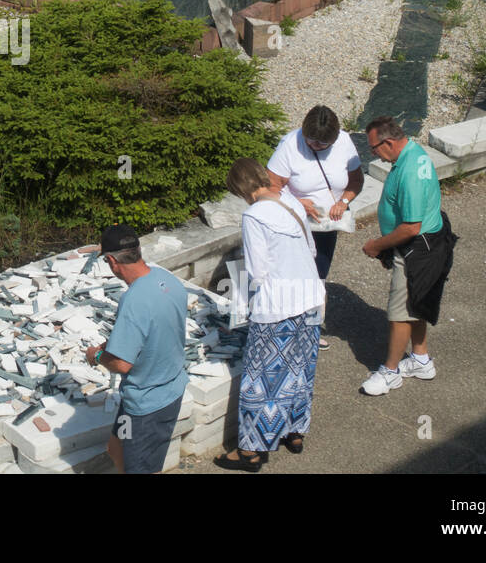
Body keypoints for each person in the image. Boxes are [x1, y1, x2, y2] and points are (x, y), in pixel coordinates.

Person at [213, 158, 324, 472]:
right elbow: (312, 251)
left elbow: (258, 271)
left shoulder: (254, 216)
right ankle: (294, 431)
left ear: (240, 189)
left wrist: (242, 302)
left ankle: (251, 451)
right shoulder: (292, 204)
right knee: (301, 369)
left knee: (261, 379)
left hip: (278, 306)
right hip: (311, 298)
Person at [360, 116, 456, 396]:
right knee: (417, 302)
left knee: (400, 312)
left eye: (374, 148)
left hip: (418, 249)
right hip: (430, 243)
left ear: (388, 142)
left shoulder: (410, 172)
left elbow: (411, 227)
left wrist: (377, 245)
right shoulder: (414, 152)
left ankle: (390, 373)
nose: (373, 154)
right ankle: (421, 359)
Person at [84, 224, 189, 475]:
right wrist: (120, 345)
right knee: (116, 447)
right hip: (163, 389)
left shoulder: (133, 300)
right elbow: (157, 329)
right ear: (137, 250)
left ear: (111, 261)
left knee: (142, 468)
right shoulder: (168, 280)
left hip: (148, 405)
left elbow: (122, 364)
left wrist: (97, 356)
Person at [267, 105, 363, 350]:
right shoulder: (290, 145)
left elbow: (355, 181)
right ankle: (286, 326)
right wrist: (297, 203)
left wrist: (343, 201)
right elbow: (271, 188)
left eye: (324, 144)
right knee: (291, 274)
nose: (317, 147)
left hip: (325, 224)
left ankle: (311, 328)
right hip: (294, 221)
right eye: (313, 142)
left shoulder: (344, 142)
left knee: (318, 275)